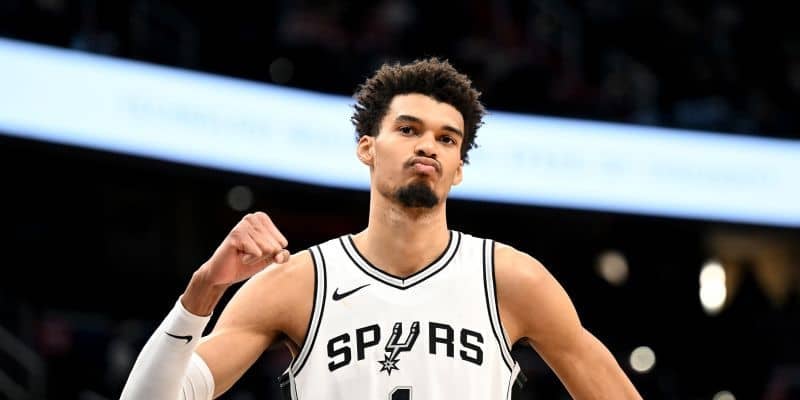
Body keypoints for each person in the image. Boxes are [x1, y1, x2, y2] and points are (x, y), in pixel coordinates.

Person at [120, 58, 642, 399]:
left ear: (458, 168)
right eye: (409, 129)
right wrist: (202, 291)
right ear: (367, 147)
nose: (428, 146)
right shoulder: (298, 283)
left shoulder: (511, 279)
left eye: (447, 139)